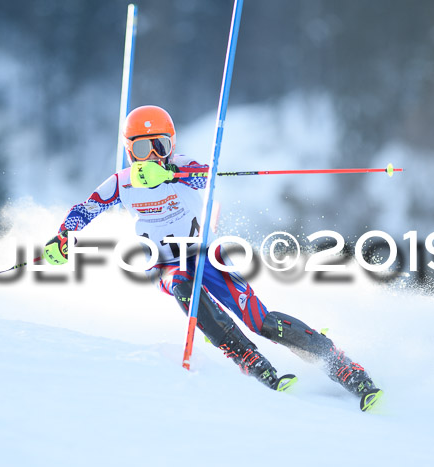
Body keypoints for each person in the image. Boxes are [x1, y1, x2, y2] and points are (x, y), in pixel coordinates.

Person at [44, 105, 383, 411]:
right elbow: (86, 208)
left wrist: (174, 174)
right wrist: (63, 236)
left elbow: (207, 172)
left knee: (260, 320)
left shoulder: (182, 169)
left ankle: (340, 364)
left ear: (171, 145)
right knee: (180, 283)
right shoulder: (122, 182)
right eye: (142, 148)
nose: (151, 156)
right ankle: (245, 355)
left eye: (159, 145)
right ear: (129, 150)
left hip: (206, 255)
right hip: (164, 264)